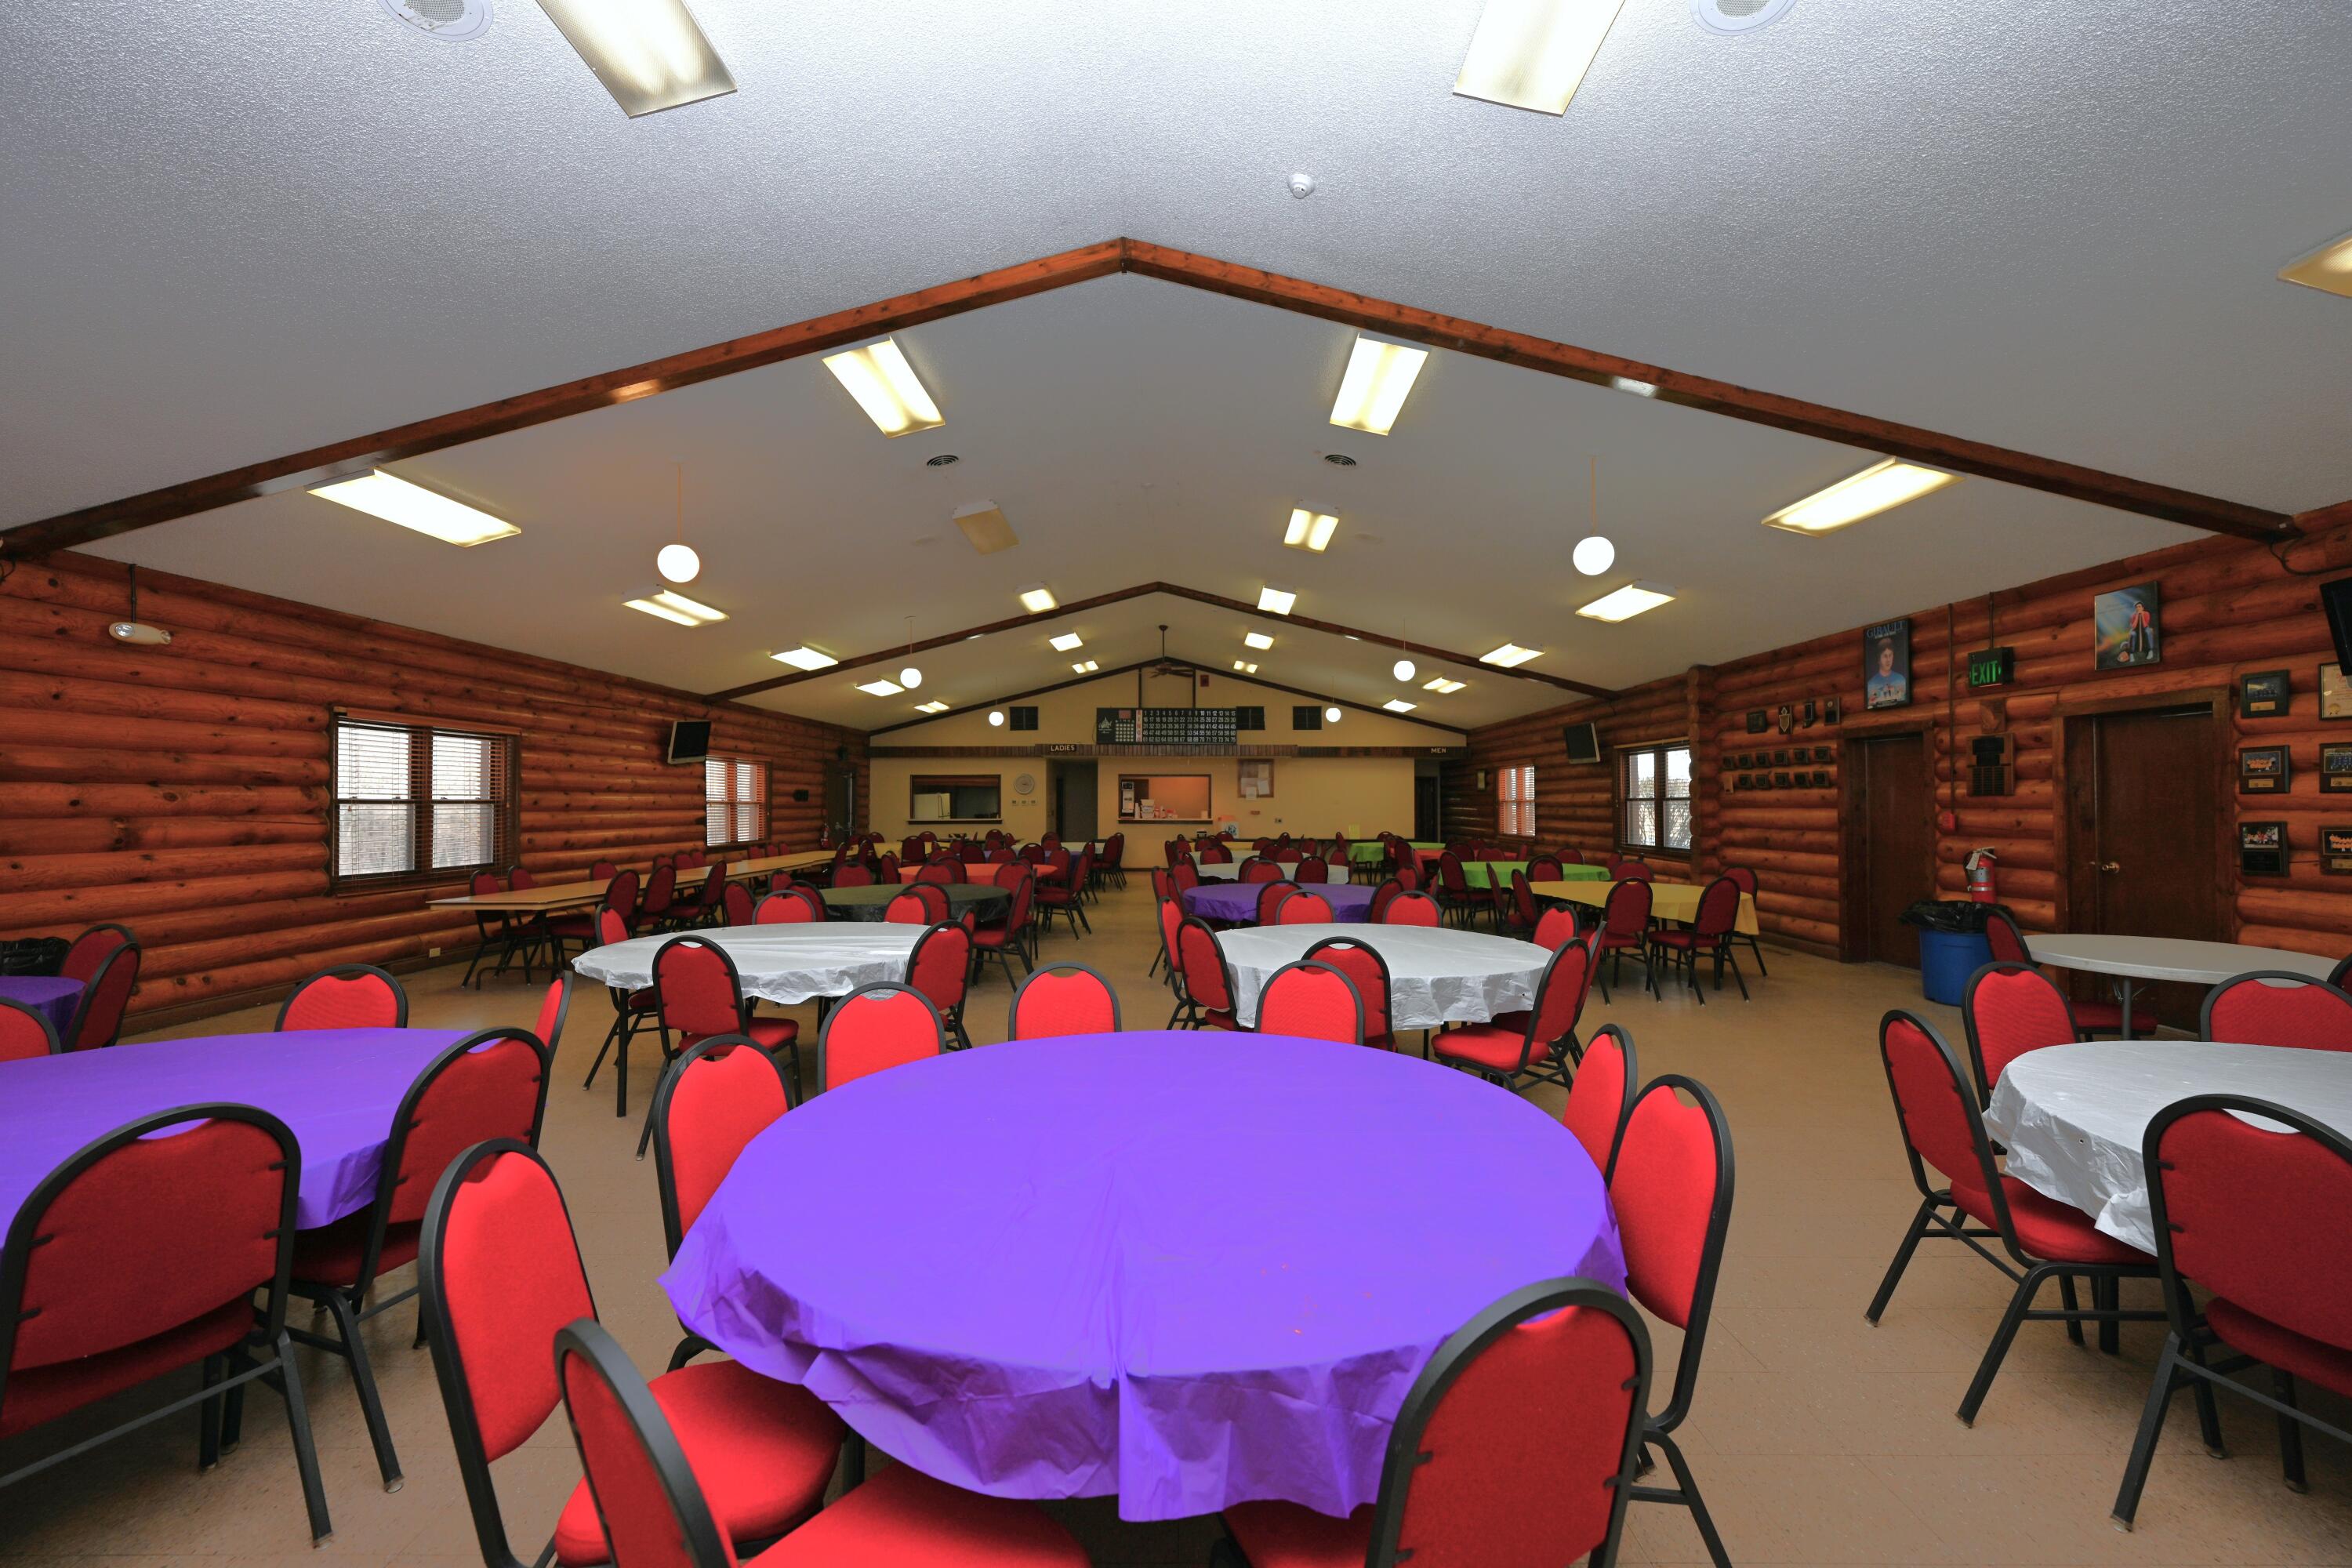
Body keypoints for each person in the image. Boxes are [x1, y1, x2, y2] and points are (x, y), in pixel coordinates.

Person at [1865, 637, 1907, 707]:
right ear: (1878, 659)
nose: (1888, 660)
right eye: (1885, 656)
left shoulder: (1901, 679)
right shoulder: (1871, 684)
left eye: (1890, 655)